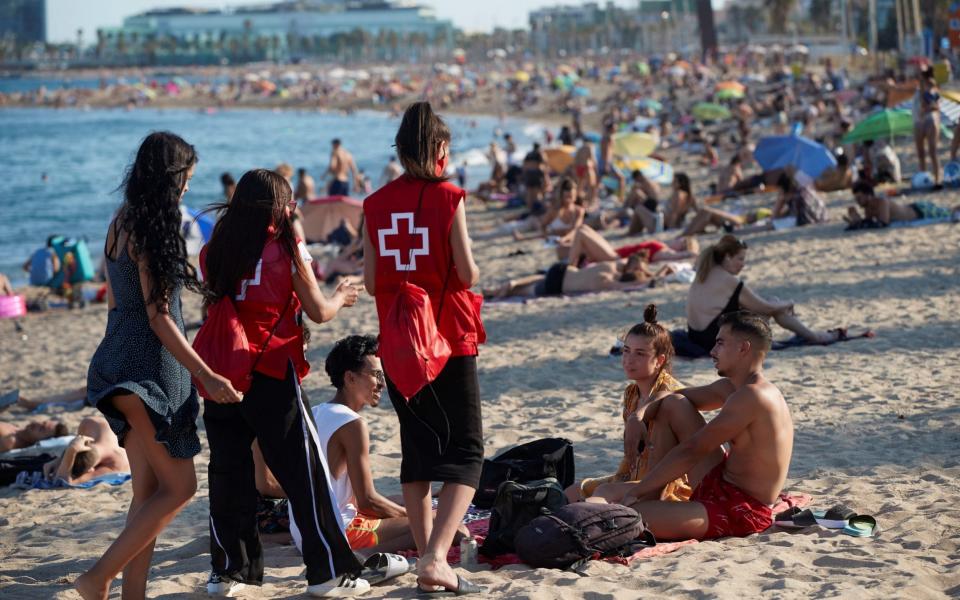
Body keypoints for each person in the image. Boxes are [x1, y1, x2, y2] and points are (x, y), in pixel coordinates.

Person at [79, 132, 242, 600]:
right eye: (186, 177)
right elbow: (160, 315)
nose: (189, 186)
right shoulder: (156, 224)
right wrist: (205, 373)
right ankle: (96, 578)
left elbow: (116, 302)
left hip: (115, 357)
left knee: (147, 492)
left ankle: (133, 594)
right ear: (171, 176)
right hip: (151, 367)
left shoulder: (120, 220)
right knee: (181, 487)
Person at [200, 169, 366, 597]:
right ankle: (329, 573)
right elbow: (318, 311)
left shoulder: (215, 249)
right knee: (304, 474)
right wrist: (341, 295)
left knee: (227, 474)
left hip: (222, 370)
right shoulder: (286, 248)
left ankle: (230, 573)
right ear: (278, 207)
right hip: (272, 367)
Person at [362, 101, 486, 596]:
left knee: (417, 449)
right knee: (466, 450)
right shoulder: (450, 196)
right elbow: (469, 272)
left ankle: (423, 550)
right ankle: (436, 557)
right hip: (447, 336)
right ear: (438, 149)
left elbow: (371, 282)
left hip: (397, 340)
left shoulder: (373, 204)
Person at [587, 312, 793, 541]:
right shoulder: (732, 387)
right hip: (721, 484)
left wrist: (638, 490)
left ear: (743, 348)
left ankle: (647, 498)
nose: (712, 351)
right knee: (674, 404)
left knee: (623, 518)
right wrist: (638, 415)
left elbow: (693, 450)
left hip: (743, 509)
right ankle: (653, 495)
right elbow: (669, 395)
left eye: (720, 343)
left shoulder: (753, 396)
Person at [291, 335, 469, 559]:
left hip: (304, 533)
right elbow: (367, 501)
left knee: (418, 513)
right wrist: (412, 517)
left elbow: (347, 496)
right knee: (449, 528)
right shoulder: (352, 423)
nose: (383, 383)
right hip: (337, 533)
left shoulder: (314, 412)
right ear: (350, 378)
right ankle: (366, 555)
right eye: (376, 375)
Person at [566, 305, 690, 503]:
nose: (628, 360)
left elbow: (673, 462)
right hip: (635, 477)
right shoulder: (631, 393)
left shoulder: (671, 392)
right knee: (570, 492)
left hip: (667, 484)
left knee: (603, 495)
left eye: (640, 354)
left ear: (659, 360)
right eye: (626, 351)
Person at [682, 235, 838, 358]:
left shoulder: (706, 273)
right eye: (740, 259)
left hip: (697, 337)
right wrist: (788, 303)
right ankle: (814, 337)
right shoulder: (728, 280)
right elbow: (765, 307)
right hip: (714, 340)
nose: (743, 264)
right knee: (774, 303)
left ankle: (812, 335)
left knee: (771, 304)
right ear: (727, 257)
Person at [484, 255, 678, 299]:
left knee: (534, 279)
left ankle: (501, 287)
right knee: (522, 292)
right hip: (557, 286)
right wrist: (656, 275)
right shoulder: (608, 283)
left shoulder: (612, 266)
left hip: (562, 269)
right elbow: (643, 284)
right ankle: (509, 288)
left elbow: (634, 262)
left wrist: (654, 270)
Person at [41, 415, 129, 485]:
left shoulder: (117, 465)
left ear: (90, 469)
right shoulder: (90, 424)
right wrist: (60, 459)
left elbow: (64, 481)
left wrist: (71, 451)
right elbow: (76, 443)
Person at [566, 224, 698, 267]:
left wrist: (689, 253)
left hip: (614, 257)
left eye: (682, 240)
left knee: (581, 232)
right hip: (614, 253)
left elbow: (688, 255)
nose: (678, 239)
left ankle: (569, 269)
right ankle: (572, 264)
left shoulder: (667, 252)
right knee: (583, 228)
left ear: (683, 246)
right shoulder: (665, 248)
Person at [846, 181, 958, 228]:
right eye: (856, 199)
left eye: (859, 198)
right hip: (915, 210)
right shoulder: (868, 208)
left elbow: (882, 222)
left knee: (948, 212)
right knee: (946, 210)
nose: (858, 201)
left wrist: (860, 222)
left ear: (868, 196)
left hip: (920, 210)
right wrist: (856, 219)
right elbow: (869, 223)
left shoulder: (882, 202)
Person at [914, 76, 941, 184]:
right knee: (922, 153)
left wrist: (927, 108)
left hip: (929, 122)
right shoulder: (923, 93)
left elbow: (932, 106)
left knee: (932, 152)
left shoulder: (932, 94)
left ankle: (937, 178)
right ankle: (925, 177)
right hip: (922, 122)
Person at [0, 418, 68, 452]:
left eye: (41, 429)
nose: (37, 424)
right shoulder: (18, 431)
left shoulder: (10, 441)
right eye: (43, 422)